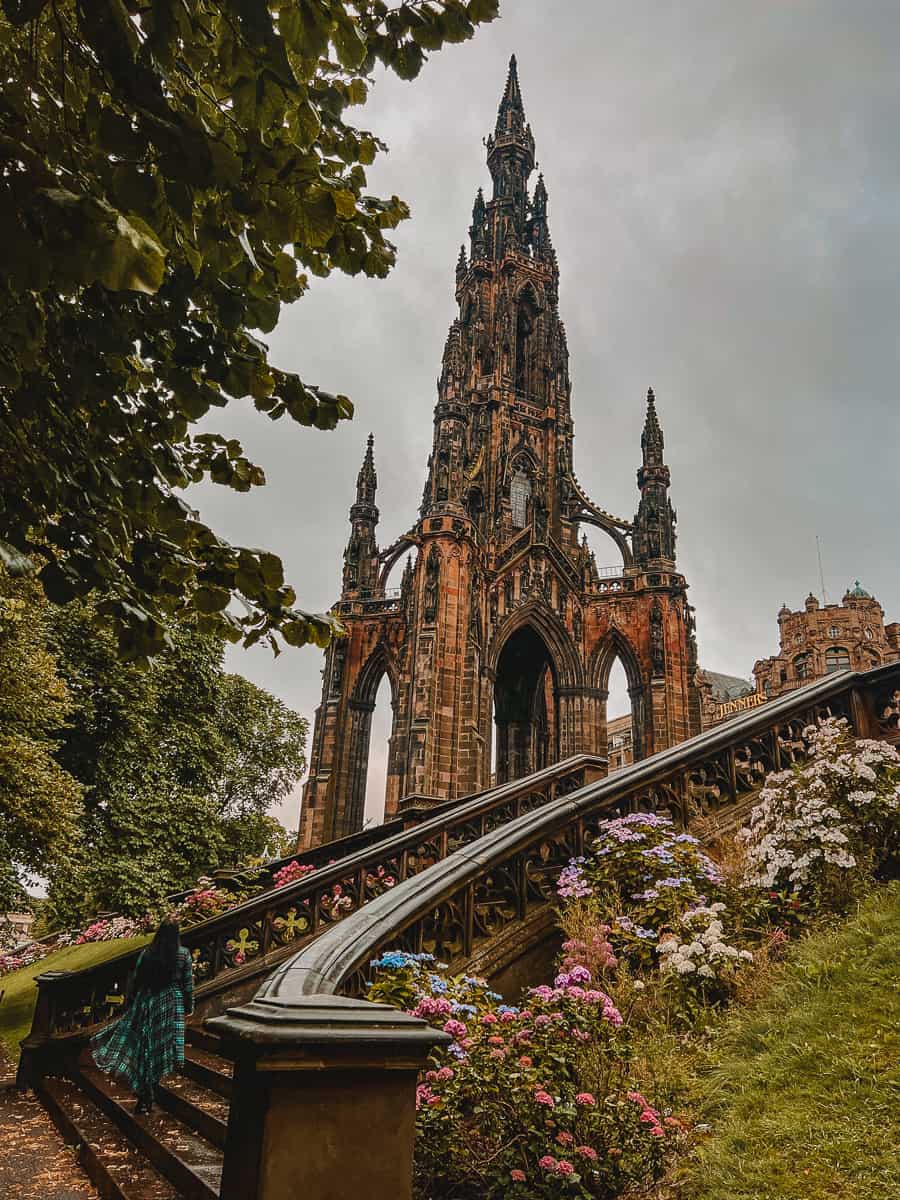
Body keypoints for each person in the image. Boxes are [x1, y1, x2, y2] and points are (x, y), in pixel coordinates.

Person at [91, 918, 194, 1114]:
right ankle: (150, 1088)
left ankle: (144, 1094)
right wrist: (189, 1006)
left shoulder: (148, 953)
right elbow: (188, 984)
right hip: (170, 1004)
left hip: (147, 1001)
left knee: (144, 1047)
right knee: (159, 1047)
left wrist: (132, 1003)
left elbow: (136, 979)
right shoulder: (183, 955)